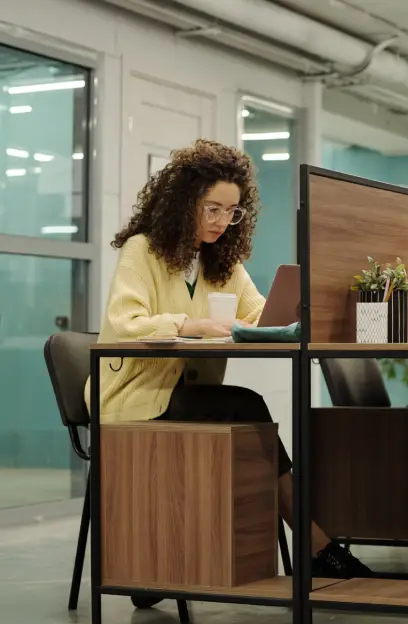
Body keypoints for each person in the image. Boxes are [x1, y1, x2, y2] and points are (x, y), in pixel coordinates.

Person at [84, 140, 371, 594]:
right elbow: (126, 323)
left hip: (185, 396)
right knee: (246, 406)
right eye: (212, 209)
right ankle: (316, 547)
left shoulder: (224, 263)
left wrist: (293, 319)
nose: (221, 222)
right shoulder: (143, 250)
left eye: (232, 212)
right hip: (134, 398)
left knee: (246, 411)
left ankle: (311, 546)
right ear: (184, 204)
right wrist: (191, 324)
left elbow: (259, 315)